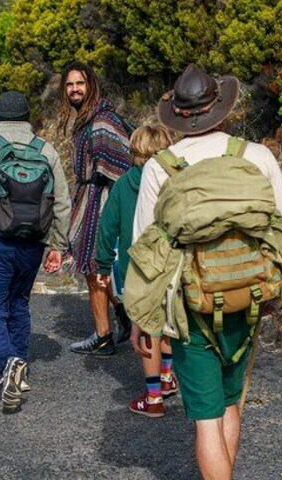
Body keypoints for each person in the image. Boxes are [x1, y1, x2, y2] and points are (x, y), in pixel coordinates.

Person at [127, 65, 282, 480]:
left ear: (178, 116)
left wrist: (144, 320)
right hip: (249, 299)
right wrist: (275, 295)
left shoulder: (160, 166)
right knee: (230, 403)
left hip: (190, 304)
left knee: (205, 413)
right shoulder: (258, 156)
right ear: (222, 109)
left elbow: (147, 252)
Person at [0, 91, 71, 413]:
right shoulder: (46, 151)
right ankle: (19, 368)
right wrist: (57, 245)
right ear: (27, 116)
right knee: (19, 304)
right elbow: (62, 203)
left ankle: (7, 363)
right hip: (33, 243)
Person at [94, 125, 180, 417]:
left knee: (147, 326)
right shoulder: (176, 181)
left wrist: (103, 265)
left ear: (134, 151)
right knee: (168, 320)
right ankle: (168, 377)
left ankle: (153, 396)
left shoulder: (123, 185)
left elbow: (107, 229)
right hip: (172, 264)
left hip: (136, 267)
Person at [58, 61, 134, 356]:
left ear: (91, 85)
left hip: (101, 201)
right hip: (90, 196)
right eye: (69, 84)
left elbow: (119, 166)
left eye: (80, 83)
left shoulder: (102, 121)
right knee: (94, 267)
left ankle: (104, 336)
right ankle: (121, 313)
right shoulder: (85, 119)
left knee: (93, 267)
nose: (74, 89)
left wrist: (113, 209)